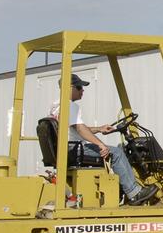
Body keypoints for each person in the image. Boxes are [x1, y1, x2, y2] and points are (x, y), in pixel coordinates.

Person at [59, 73, 157, 206]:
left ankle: (122, 191)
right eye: (79, 87)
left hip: (67, 149)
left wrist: (100, 129)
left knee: (116, 150)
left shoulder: (57, 106)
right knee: (116, 152)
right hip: (74, 149)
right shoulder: (70, 106)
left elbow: (78, 128)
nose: (83, 90)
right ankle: (134, 193)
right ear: (70, 87)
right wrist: (100, 144)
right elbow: (81, 130)